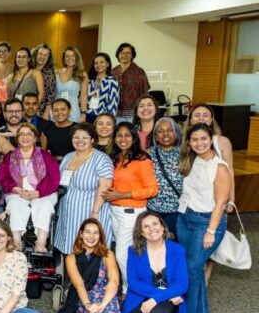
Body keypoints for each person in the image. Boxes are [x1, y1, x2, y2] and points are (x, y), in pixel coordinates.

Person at [176, 123, 229, 313]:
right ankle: (200, 310)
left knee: (192, 266)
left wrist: (211, 231)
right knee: (192, 268)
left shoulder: (219, 167)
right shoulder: (192, 161)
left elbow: (221, 203)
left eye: (203, 139)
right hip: (186, 218)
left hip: (207, 222)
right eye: (195, 139)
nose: (199, 143)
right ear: (189, 142)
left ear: (211, 140)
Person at [103, 122, 158, 289]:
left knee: (121, 255)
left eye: (127, 135)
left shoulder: (142, 159)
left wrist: (124, 194)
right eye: (119, 135)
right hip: (113, 211)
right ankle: (131, 287)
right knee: (127, 253)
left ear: (134, 137)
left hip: (131, 212)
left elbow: (152, 189)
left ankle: (131, 289)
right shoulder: (115, 158)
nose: (123, 139)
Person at [123, 211, 188, 313]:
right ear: (141, 233)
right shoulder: (134, 251)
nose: (152, 228)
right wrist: (161, 295)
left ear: (163, 227)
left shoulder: (178, 250)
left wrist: (156, 299)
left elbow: (182, 284)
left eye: (155, 224)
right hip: (141, 295)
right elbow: (133, 282)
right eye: (146, 226)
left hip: (167, 295)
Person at [56, 218, 125, 313]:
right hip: (84, 296)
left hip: (107, 294)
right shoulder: (71, 258)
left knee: (107, 308)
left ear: (100, 236)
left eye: (95, 233)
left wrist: (103, 305)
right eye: (88, 232)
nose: (91, 236)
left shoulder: (107, 254)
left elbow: (114, 281)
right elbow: (79, 284)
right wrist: (88, 305)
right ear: (81, 234)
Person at [0, 123, 60, 252]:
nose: (25, 137)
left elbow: (55, 179)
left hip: (42, 192)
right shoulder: (10, 156)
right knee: (15, 204)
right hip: (17, 192)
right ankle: (16, 242)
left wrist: (38, 193)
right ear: (17, 138)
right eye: (22, 134)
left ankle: (41, 243)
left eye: (29, 134)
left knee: (45, 204)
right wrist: (15, 189)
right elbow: (2, 178)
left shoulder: (45, 155)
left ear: (35, 138)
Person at [54, 123, 114, 255]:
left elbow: (104, 187)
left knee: (89, 251)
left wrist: (95, 213)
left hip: (90, 212)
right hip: (68, 213)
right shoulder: (68, 157)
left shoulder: (101, 159)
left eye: (85, 137)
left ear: (92, 140)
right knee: (69, 250)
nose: (80, 141)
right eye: (76, 137)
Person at [186, 104, 235, 213]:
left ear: (211, 119)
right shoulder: (184, 142)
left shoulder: (222, 142)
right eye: (197, 115)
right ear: (191, 119)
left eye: (205, 115)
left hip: (214, 202)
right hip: (191, 203)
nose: (201, 118)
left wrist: (231, 199)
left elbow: (230, 171)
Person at [147, 117, 183, 239]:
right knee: (153, 241)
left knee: (172, 243)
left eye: (170, 130)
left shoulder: (185, 154)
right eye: (161, 131)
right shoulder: (147, 154)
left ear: (176, 133)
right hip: (152, 208)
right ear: (156, 136)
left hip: (176, 210)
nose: (165, 134)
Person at [113, 43, 150, 122]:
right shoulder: (113, 72)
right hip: (114, 113)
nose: (124, 55)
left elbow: (144, 94)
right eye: (122, 53)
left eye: (128, 53)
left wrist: (142, 112)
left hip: (132, 114)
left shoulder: (139, 72)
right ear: (118, 55)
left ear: (132, 55)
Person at [57, 46, 89, 124]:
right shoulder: (57, 72)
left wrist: (83, 114)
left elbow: (84, 95)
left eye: (72, 56)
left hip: (73, 110)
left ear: (76, 58)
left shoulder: (82, 74)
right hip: (57, 110)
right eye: (67, 56)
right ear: (64, 59)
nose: (69, 58)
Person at [87, 52, 119, 123]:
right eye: (96, 63)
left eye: (102, 62)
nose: (98, 65)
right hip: (87, 115)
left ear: (107, 64)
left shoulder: (112, 81)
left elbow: (113, 103)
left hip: (102, 117)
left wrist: (110, 121)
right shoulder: (89, 80)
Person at [33, 43, 56, 115]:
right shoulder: (30, 69)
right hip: (28, 107)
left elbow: (51, 94)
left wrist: (46, 113)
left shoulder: (49, 72)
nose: (42, 57)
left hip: (41, 110)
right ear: (36, 54)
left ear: (49, 58)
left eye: (45, 55)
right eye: (40, 54)